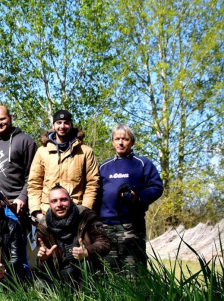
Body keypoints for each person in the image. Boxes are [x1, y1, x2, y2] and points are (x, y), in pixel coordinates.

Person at [99, 124, 163, 274]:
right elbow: (95, 193)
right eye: (117, 139)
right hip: (105, 227)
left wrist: (139, 198)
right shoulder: (104, 167)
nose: (121, 142)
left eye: (125, 139)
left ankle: (139, 297)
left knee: (134, 272)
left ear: (132, 142)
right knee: (108, 273)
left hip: (131, 226)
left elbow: (156, 187)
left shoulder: (142, 163)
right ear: (112, 142)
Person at [0, 105, 37, 269]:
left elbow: (33, 176)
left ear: (11, 117)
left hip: (13, 206)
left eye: (2, 119)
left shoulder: (25, 141)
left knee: (17, 250)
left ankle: (22, 287)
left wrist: (22, 198)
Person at [28, 110, 100, 220]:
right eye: (59, 122)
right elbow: (34, 183)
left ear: (71, 125)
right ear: (53, 125)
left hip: (76, 213)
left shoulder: (85, 151)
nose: (62, 126)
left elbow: (92, 184)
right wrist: (37, 212)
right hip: (46, 213)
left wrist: (84, 211)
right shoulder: (42, 151)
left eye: (66, 122)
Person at [35, 186, 110, 284]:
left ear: (71, 201)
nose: (59, 204)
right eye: (54, 201)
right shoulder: (43, 227)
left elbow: (105, 243)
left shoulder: (86, 216)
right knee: (40, 283)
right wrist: (43, 259)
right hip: (59, 275)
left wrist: (88, 252)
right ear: (49, 204)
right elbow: (40, 264)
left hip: (86, 270)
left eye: (63, 200)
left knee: (86, 266)